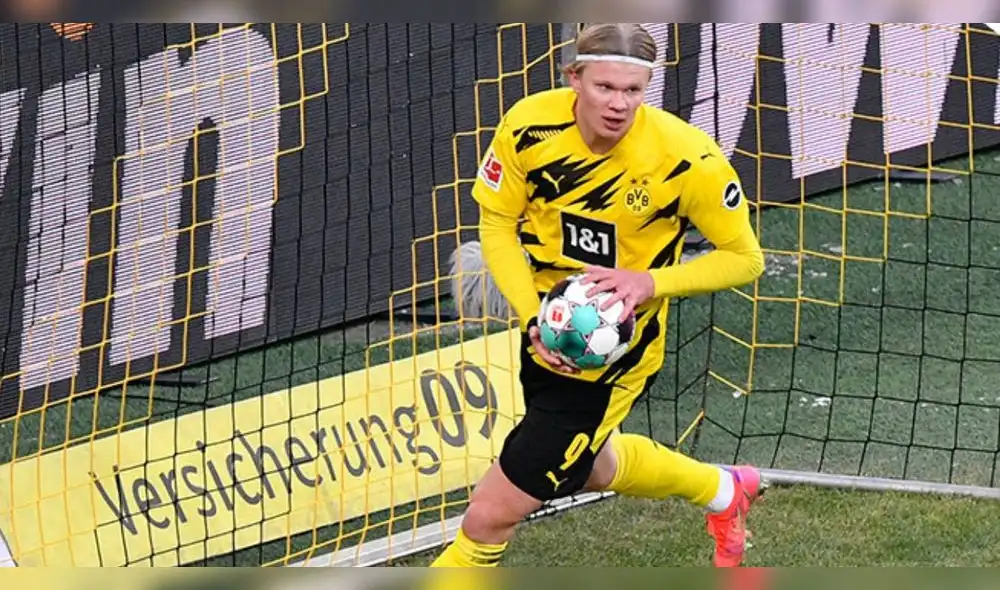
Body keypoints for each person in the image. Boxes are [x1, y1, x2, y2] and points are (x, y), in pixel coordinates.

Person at [436, 22, 767, 569]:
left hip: (617, 356)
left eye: (633, 91)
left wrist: (649, 282)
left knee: (489, 515)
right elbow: (496, 223)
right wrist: (531, 320)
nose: (619, 104)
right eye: (605, 88)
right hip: (548, 331)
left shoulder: (688, 160)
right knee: (586, 464)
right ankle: (724, 492)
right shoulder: (527, 128)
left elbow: (745, 258)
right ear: (575, 78)